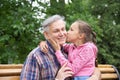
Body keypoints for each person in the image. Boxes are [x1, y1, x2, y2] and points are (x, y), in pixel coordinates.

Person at [20, 14, 101, 80]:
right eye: (56, 31)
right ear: (46, 35)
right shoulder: (36, 56)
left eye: (63, 29)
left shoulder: (69, 50)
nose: (62, 34)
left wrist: (95, 76)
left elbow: (93, 66)